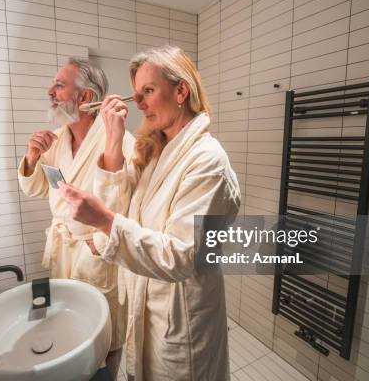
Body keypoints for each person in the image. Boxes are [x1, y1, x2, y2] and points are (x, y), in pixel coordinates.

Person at [58, 46, 241, 380]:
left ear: (181, 91)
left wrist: (105, 223)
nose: (139, 103)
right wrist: (113, 138)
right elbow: (123, 209)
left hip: (181, 320)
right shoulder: (157, 152)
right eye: (136, 94)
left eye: (149, 91)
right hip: (147, 310)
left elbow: (183, 255)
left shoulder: (207, 162)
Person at [17, 57, 135, 376]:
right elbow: (40, 188)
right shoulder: (57, 140)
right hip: (64, 255)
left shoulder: (120, 141)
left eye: (59, 85)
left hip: (97, 254)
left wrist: (98, 244)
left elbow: (131, 206)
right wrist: (31, 158)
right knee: (71, 330)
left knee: (104, 338)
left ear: (85, 97)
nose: (50, 91)